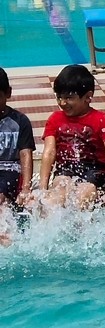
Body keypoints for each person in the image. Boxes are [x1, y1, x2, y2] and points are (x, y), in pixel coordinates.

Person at [40, 64, 105, 210]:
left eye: (69, 98)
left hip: (95, 171)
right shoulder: (55, 119)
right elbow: (49, 153)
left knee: (84, 194)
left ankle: (81, 224)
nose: (62, 103)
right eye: (59, 97)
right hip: (66, 168)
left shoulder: (100, 119)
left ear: (88, 97)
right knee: (57, 193)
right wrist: (42, 188)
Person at [0, 67, 35, 246]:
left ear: (8, 93)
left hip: (11, 170)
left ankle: (6, 236)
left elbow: (25, 154)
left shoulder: (20, 121)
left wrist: (26, 188)